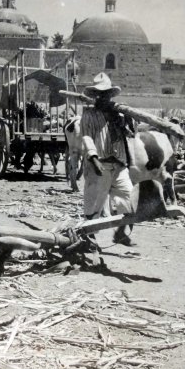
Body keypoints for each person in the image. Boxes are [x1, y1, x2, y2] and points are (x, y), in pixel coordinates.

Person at [80, 72, 136, 246]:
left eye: (107, 94)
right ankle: (89, 238)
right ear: (95, 96)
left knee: (127, 198)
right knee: (95, 202)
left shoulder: (118, 114)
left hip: (119, 165)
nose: (104, 97)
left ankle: (120, 233)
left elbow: (131, 135)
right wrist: (94, 159)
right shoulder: (89, 114)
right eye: (100, 94)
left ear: (111, 95)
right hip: (99, 164)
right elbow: (86, 136)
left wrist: (127, 121)